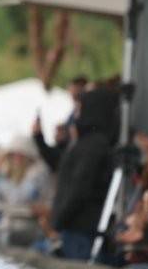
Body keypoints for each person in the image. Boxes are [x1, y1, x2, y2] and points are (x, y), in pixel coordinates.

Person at [44, 86, 117, 260]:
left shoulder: (93, 146)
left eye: (78, 109)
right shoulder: (89, 143)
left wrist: (59, 219)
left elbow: (80, 187)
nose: (75, 115)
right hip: (77, 226)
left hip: (81, 227)